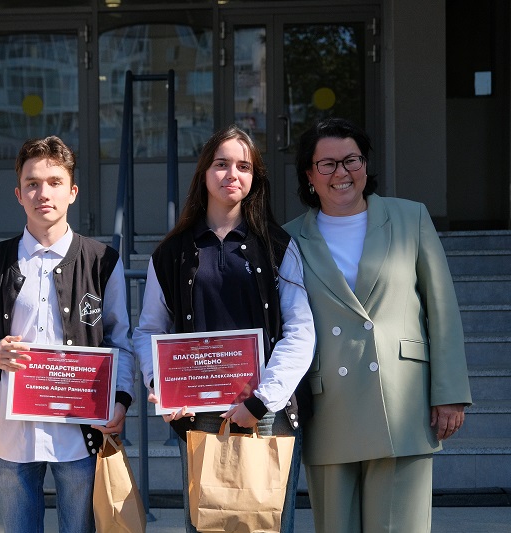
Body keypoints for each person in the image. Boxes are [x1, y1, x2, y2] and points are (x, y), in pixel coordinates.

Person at [283, 117, 472, 533]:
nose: (342, 172)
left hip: (402, 402)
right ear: (309, 175)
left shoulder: (410, 217)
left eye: (351, 160)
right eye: (327, 164)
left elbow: (441, 308)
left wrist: (450, 392)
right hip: (328, 406)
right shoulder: (288, 238)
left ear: (365, 165)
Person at [133, 125, 316, 533]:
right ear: (204, 173)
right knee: (206, 526)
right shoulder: (171, 252)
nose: (232, 174)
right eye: (221, 164)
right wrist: (161, 384)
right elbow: (148, 330)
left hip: (267, 413)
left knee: (268, 526)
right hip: (198, 415)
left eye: (243, 166)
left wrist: (261, 402)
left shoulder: (278, 246)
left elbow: (300, 331)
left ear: (254, 179)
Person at [0, 135, 136, 533]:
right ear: (18, 194)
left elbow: (119, 340)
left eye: (55, 182)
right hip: (12, 433)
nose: (43, 193)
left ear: (72, 192)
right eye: (32, 183)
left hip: (79, 433)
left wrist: (121, 399)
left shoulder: (102, 261)